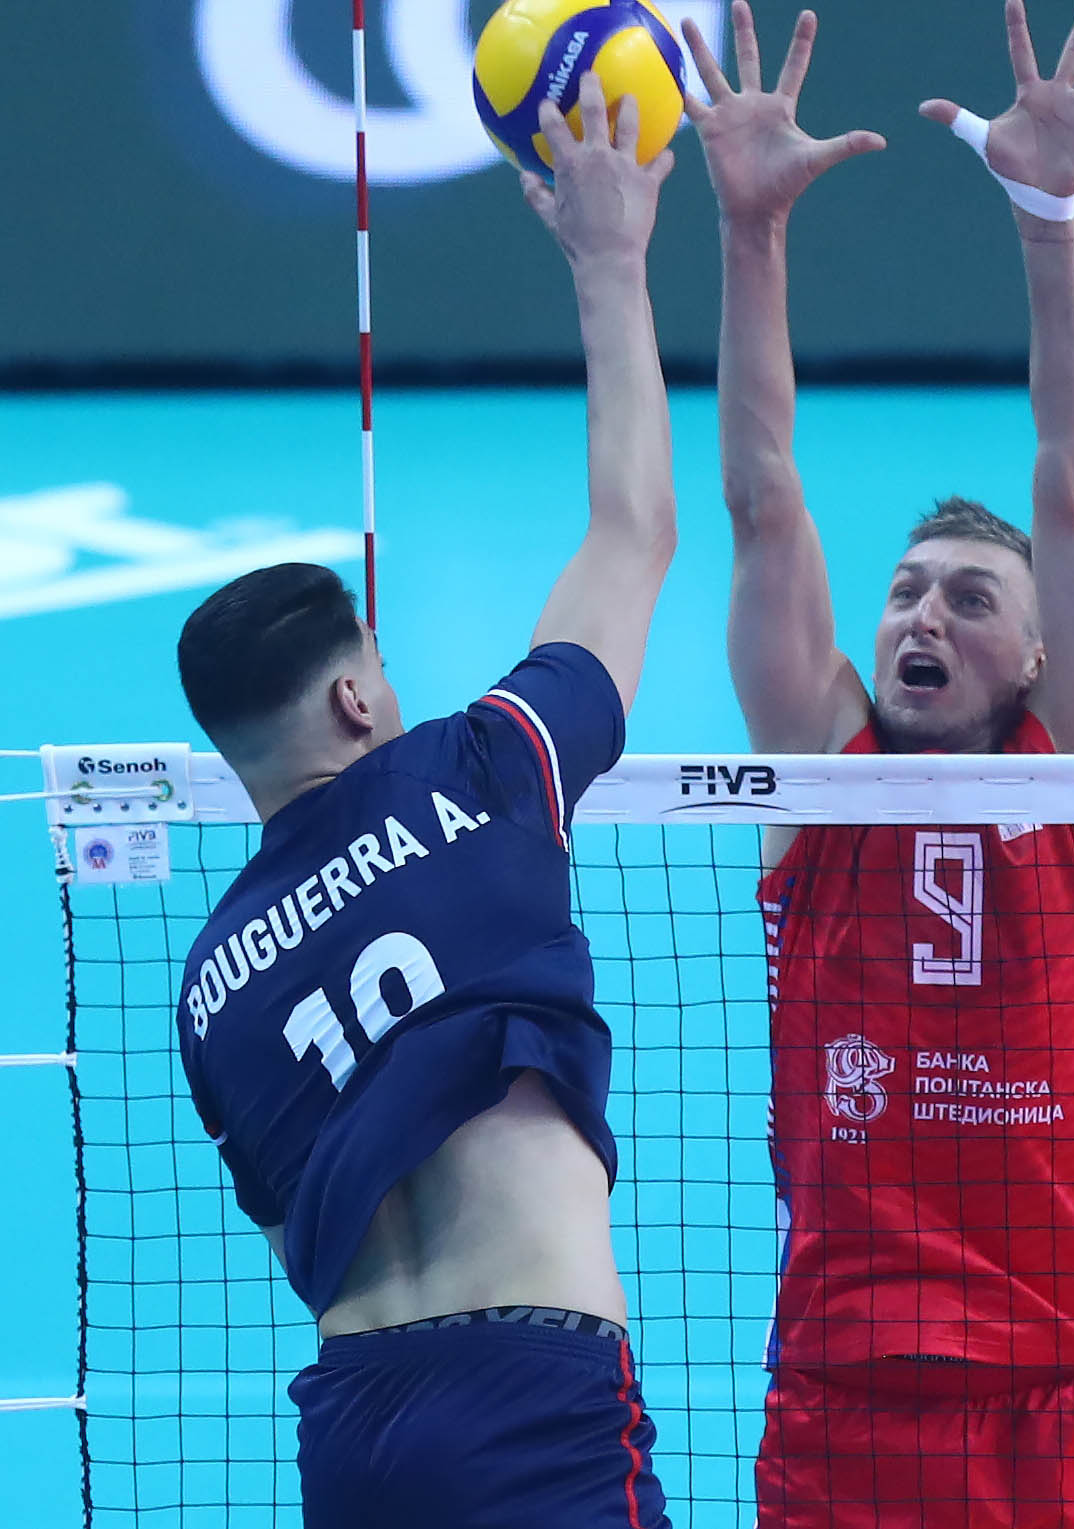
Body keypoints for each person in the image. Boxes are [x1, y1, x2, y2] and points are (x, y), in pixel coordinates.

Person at [172, 74, 678, 1527]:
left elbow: (298, 1228)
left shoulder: (210, 987)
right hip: (535, 1399)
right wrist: (611, 260)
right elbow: (634, 533)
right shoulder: (485, 767)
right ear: (353, 699)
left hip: (352, 1425)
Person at [684, 0, 1074, 1526]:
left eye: (968, 598)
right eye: (905, 592)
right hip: (844, 1400)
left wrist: (1048, 221)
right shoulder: (814, 768)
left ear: (1037, 656)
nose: (921, 616)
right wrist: (749, 233)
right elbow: (762, 496)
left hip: (1060, 1395)